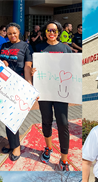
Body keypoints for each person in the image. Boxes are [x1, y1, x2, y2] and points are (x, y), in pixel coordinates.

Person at [34, 21, 73, 170]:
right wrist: (32, 71)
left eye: (54, 31)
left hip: (61, 91)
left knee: (63, 123)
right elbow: (33, 65)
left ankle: (64, 159)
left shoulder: (65, 48)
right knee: (46, 121)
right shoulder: (39, 48)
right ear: (45, 32)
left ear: (59, 32)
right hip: (44, 90)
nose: (51, 33)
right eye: (49, 30)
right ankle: (48, 148)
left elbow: (72, 69)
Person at [0, 23, 34, 162]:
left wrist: (29, 84)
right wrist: (2, 62)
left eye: (14, 33)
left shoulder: (26, 46)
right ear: (6, 34)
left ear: (19, 32)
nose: (12, 36)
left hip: (18, 84)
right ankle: (12, 142)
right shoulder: (4, 46)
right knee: (6, 116)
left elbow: (27, 66)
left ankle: (16, 147)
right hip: (4, 84)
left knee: (13, 116)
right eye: (9, 34)